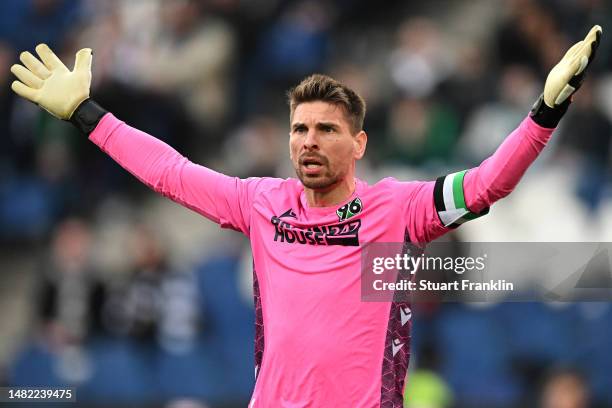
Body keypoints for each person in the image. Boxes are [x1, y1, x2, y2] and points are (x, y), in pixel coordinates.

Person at [8, 26, 602, 407]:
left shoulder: (395, 208)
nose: (309, 141)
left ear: (359, 143)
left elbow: (486, 184)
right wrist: (87, 115)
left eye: (326, 129)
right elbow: (169, 171)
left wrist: (544, 112)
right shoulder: (259, 202)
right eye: (299, 129)